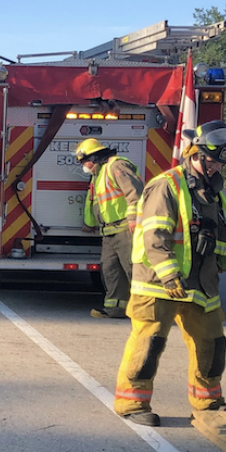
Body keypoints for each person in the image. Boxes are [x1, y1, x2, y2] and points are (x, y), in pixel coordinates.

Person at [113, 120, 226, 427]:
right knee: (149, 344)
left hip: (202, 283)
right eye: (213, 161)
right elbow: (155, 235)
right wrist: (169, 274)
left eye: (220, 163)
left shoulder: (214, 191)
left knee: (213, 344)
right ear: (196, 154)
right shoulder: (167, 185)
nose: (216, 168)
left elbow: (220, 234)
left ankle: (209, 402)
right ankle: (132, 403)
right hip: (158, 283)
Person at [75, 138, 143, 318]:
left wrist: (134, 218)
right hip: (109, 232)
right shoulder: (98, 175)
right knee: (111, 271)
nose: (84, 166)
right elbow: (94, 203)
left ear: (93, 158)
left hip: (125, 229)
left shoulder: (116, 166)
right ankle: (116, 309)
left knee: (133, 270)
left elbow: (135, 192)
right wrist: (89, 224)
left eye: (84, 161)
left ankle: (145, 311)